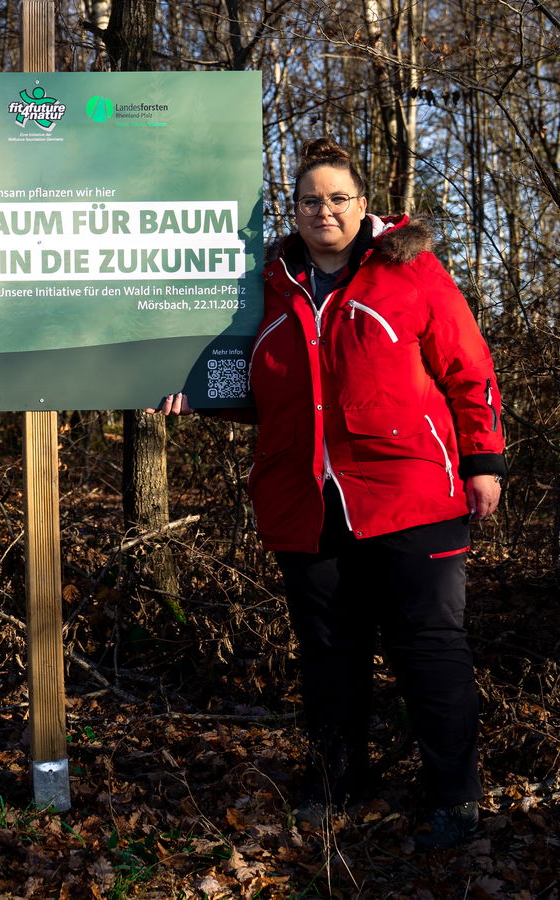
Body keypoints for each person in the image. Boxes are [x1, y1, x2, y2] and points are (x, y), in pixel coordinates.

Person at [156, 138, 505, 850]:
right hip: (304, 500)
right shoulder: (267, 285)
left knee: (429, 649)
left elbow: (470, 369)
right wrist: (198, 397)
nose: (325, 210)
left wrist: (484, 460)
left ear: (363, 205)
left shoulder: (410, 273)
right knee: (329, 654)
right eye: (311, 199)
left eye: (339, 198)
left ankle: (454, 798)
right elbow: (269, 393)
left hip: (412, 494)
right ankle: (339, 781)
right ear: (295, 208)